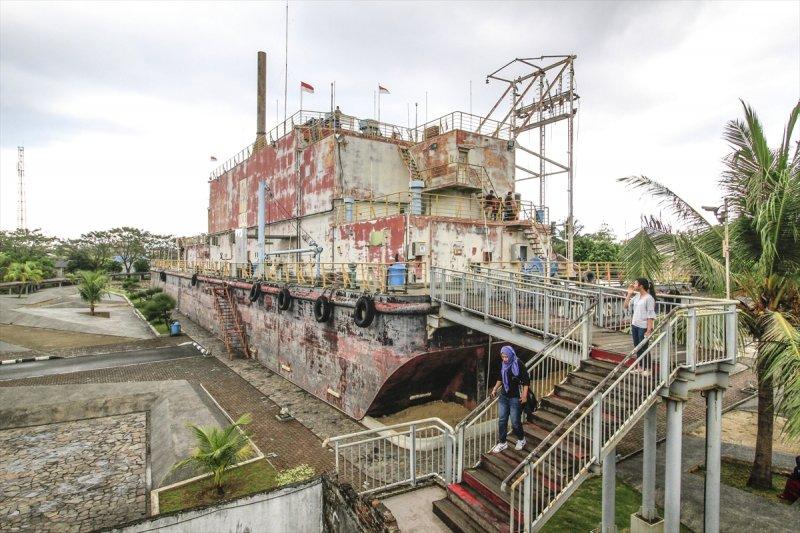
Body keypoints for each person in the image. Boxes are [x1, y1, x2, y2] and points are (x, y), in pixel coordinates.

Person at [490, 345, 530, 453]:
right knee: (502, 420)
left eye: (506, 356)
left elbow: (526, 381)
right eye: (503, 357)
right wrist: (495, 389)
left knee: (515, 422)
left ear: (511, 355)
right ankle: (502, 442)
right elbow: (500, 378)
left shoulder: (518, 364)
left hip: (515, 397)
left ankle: (521, 439)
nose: (505, 359)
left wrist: (524, 395)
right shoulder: (503, 364)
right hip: (504, 396)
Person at [624, 278, 657, 355]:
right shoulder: (637, 296)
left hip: (643, 327)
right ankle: (640, 362)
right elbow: (625, 306)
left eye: (635, 283)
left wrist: (648, 330)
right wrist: (629, 294)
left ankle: (645, 363)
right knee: (636, 347)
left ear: (641, 286)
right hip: (635, 325)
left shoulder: (649, 298)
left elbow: (650, 315)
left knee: (643, 348)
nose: (634, 285)